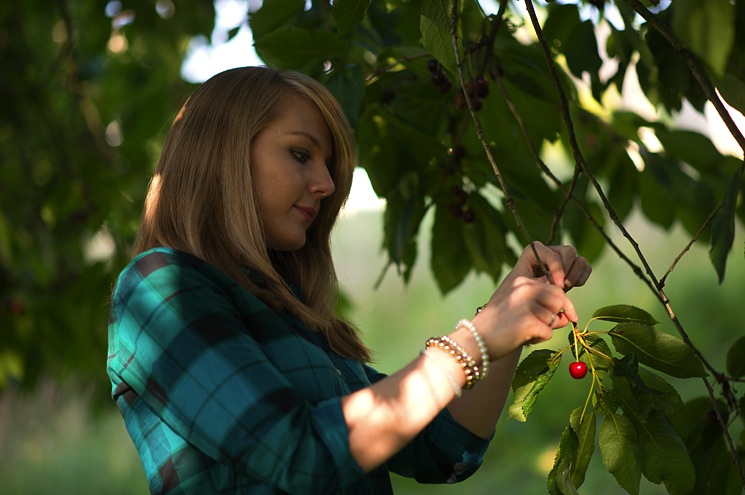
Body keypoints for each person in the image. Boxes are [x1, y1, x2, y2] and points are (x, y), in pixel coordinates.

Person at [106, 66, 592, 494]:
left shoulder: (293, 318)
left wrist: (509, 311)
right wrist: (475, 341)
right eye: (301, 154)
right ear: (224, 154)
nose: (328, 184)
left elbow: (444, 449)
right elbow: (299, 455)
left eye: (328, 165)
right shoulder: (159, 289)